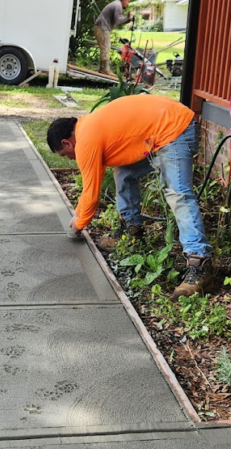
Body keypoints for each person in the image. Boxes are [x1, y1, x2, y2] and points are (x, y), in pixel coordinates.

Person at [46, 95, 213, 299]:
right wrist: (78, 214)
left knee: (178, 194)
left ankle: (199, 263)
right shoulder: (88, 127)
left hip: (174, 130)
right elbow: (89, 188)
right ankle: (131, 230)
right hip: (165, 126)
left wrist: (78, 225)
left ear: (67, 142)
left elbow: (91, 193)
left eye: (66, 155)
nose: (71, 159)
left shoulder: (85, 141)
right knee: (124, 173)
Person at [94, 0, 133, 77]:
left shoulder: (116, 4)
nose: (128, 4)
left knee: (105, 47)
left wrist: (128, 20)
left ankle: (102, 69)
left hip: (101, 27)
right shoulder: (118, 5)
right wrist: (128, 18)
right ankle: (105, 70)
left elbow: (117, 20)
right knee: (106, 47)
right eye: (128, 1)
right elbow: (118, 20)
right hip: (102, 27)